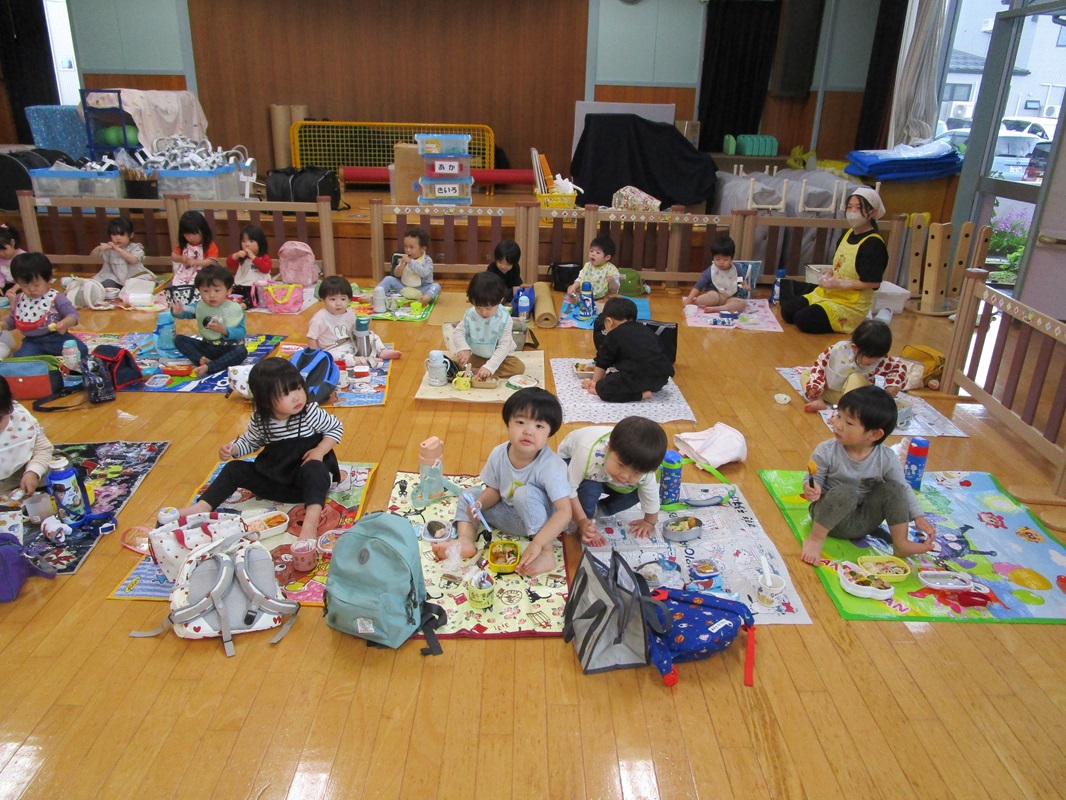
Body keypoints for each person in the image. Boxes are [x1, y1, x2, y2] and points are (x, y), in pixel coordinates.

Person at [173, 357, 343, 541]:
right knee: (234, 468)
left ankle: (309, 524)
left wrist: (319, 450)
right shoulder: (261, 420)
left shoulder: (310, 412)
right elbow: (251, 441)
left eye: (298, 388)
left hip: (307, 485)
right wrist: (233, 449)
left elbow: (335, 428)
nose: (296, 396)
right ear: (266, 401)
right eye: (285, 393)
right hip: (276, 482)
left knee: (316, 469)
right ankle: (202, 507)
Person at [432, 387, 572, 576]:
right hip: (509, 515)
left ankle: (547, 554)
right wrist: (480, 504)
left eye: (539, 426)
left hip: (539, 526)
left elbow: (564, 512)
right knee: (469, 496)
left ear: (549, 434)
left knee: (525, 493)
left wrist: (538, 543)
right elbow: (495, 490)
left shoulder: (551, 465)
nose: (528, 431)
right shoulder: (499, 453)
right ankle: (466, 540)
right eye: (521, 422)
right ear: (508, 424)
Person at [800, 384, 936, 565]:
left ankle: (901, 543)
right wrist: (811, 488)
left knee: (894, 489)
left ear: (874, 434)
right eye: (839, 415)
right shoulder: (826, 450)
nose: (838, 424)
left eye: (848, 422)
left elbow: (903, 488)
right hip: (829, 520)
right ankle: (815, 540)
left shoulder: (886, 458)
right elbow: (812, 479)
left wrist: (918, 516)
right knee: (845, 492)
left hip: (864, 522)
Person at [782, 187, 888, 334]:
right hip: (829, 292)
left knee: (803, 320)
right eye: (850, 207)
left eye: (858, 208)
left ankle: (857, 321)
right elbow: (844, 264)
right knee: (788, 311)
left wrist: (841, 283)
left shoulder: (874, 244)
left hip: (850, 302)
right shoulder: (848, 234)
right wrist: (829, 273)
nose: (852, 212)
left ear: (873, 212)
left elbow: (874, 282)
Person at [557, 417, 667, 546]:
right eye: (621, 465)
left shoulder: (644, 471)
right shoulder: (586, 454)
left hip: (604, 474)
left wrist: (649, 522)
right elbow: (569, 489)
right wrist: (582, 521)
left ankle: (599, 509)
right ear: (608, 448)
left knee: (638, 492)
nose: (625, 476)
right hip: (571, 462)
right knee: (590, 487)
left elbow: (651, 498)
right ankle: (587, 518)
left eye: (636, 472)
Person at [802, 319, 909, 412]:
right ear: (854, 348)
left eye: (878, 357)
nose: (874, 360)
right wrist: (815, 386)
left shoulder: (880, 360)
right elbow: (820, 365)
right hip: (830, 393)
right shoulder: (839, 350)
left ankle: (846, 409)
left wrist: (892, 385)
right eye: (870, 356)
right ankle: (818, 401)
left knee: (856, 377)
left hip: (857, 398)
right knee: (806, 374)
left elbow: (898, 367)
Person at [583, 297, 674, 402]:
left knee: (606, 387)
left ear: (609, 321)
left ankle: (641, 395)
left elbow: (602, 362)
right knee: (618, 376)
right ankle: (640, 390)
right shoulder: (646, 330)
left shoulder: (613, 334)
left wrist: (595, 385)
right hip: (660, 379)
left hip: (636, 379)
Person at [1, 253, 88, 359]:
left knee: (81, 351)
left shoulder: (56, 298)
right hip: (31, 341)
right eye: (25, 285)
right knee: (20, 359)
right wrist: (2, 325)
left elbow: (73, 315)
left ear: (48, 280)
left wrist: (64, 323)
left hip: (56, 337)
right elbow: (13, 320)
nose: (31, 289)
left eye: (36, 285)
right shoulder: (19, 299)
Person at [169, 264, 247, 378]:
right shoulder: (200, 306)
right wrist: (177, 312)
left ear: (228, 290)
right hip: (207, 347)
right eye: (205, 290)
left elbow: (241, 332)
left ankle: (209, 366)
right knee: (179, 339)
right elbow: (187, 312)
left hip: (228, 348)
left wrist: (225, 330)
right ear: (199, 291)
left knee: (241, 351)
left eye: (217, 290)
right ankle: (203, 360)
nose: (211, 295)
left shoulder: (235, 309)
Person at [307, 275, 401, 365]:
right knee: (335, 357)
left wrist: (365, 326)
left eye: (343, 299)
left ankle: (382, 351)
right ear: (323, 300)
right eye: (332, 299)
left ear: (349, 299)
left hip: (352, 343)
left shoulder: (350, 313)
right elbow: (312, 338)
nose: (338, 303)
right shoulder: (319, 318)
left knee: (372, 335)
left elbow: (356, 330)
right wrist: (316, 356)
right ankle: (361, 361)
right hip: (333, 349)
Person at [451, 272, 525, 380]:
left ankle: (479, 371)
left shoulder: (504, 318)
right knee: (455, 362)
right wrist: (464, 348)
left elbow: (503, 347)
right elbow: (458, 332)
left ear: (499, 300)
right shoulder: (470, 314)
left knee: (518, 368)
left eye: (488, 308)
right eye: (478, 307)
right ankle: (477, 370)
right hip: (477, 355)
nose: (483, 313)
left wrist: (490, 367)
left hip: (502, 358)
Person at [0, 378, 54, 497]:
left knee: (58, 464)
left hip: (18, 469)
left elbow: (43, 449)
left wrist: (33, 472)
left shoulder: (20, 418)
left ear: (10, 407)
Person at [683, 236, 747, 314]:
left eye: (726, 259)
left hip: (730, 298)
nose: (721, 262)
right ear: (713, 258)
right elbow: (698, 286)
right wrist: (689, 299)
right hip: (716, 296)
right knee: (711, 297)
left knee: (743, 303)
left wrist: (745, 285)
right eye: (717, 259)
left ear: (731, 258)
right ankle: (694, 302)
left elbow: (740, 280)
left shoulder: (736, 268)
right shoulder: (711, 270)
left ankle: (720, 308)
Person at [376, 228, 439, 304]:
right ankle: (377, 295)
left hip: (421, 290)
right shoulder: (404, 258)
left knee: (436, 286)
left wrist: (411, 262)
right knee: (388, 279)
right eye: (405, 246)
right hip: (404, 288)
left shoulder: (427, 260)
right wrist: (401, 267)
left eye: (412, 247)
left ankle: (425, 299)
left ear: (423, 248)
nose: (408, 250)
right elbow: (396, 274)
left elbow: (424, 273)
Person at [90, 217, 153, 289]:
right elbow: (92, 256)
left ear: (131, 235)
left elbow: (134, 260)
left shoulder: (135, 247)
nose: (118, 238)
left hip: (133, 277)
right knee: (103, 285)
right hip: (115, 279)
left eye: (122, 235)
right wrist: (98, 249)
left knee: (143, 285)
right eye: (114, 235)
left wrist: (118, 250)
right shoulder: (109, 248)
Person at [171, 210, 219, 297]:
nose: (191, 237)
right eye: (187, 234)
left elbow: (213, 261)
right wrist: (180, 258)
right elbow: (173, 256)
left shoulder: (209, 245)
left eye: (194, 233)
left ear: (203, 231)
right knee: (177, 287)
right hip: (185, 273)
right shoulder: (184, 245)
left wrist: (196, 262)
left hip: (203, 274)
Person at [225, 224, 272, 308]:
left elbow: (265, 268)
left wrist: (253, 257)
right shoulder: (242, 257)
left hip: (256, 287)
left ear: (260, 243)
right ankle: (232, 303)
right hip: (241, 285)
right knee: (229, 292)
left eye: (251, 241)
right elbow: (229, 264)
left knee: (256, 296)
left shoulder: (264, 257)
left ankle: (244, 305)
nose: (247, 244)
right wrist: (236, 255)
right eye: (243, 241)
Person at [566, 235, 620, 301]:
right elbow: (580, 278)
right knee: (571, 292)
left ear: (607, 257)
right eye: (591, 251)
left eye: (597, 252)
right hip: (584, 296)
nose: (593, 254)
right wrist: (574, 286)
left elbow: (614, 289)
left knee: (613, 299)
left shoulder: (611, 269)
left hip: (602, 298)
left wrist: (612, 281)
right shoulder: (587, 265)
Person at [0, 224, 26, 301]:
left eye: (4, 250)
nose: (1, 254)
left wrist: (14, 289)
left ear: (12, 243)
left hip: (22, 286)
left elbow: (26, 277)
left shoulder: (23, 257)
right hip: (7, 287)